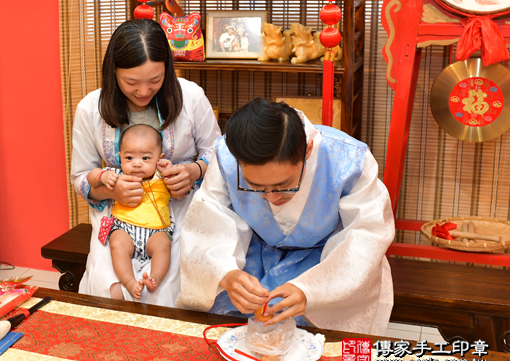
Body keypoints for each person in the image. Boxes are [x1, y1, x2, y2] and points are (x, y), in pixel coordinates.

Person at [176, 98, 395, 336]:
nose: (271, 197)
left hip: (325, 262)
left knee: (327, 343)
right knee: (226, 332)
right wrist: (225, 273)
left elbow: (366, 234)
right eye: (256, 186)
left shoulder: (349, 159)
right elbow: (209, 221)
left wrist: (313, 290)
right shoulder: (227, 156)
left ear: (308, 150)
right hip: (252, 257)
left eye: (284, 185)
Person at [71, 19, 221, 306]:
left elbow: (218, 152)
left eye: (155, 80)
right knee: (109, 290)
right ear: (112, 72)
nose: (143, 91)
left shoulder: (190, 97)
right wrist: (111, 190)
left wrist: (194, 171)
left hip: (179, 212)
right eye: (131, 82)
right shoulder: (91, 108)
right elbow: (80, 177)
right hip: (118, 216)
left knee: (166, 294)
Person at [87, 125, 174, 299]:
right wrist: (102, 177)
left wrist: (167, 168)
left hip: (155, 231)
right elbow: (91, 176)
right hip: (124, 228)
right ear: (120, 157)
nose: (136, 163)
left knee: (163, 245)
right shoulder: (117, 175)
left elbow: (179, 184)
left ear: (159, 158)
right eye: (129, 157)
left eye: (146, 157)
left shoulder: (161, 175)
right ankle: (129, 281)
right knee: (117, 244)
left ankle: (154, 277)